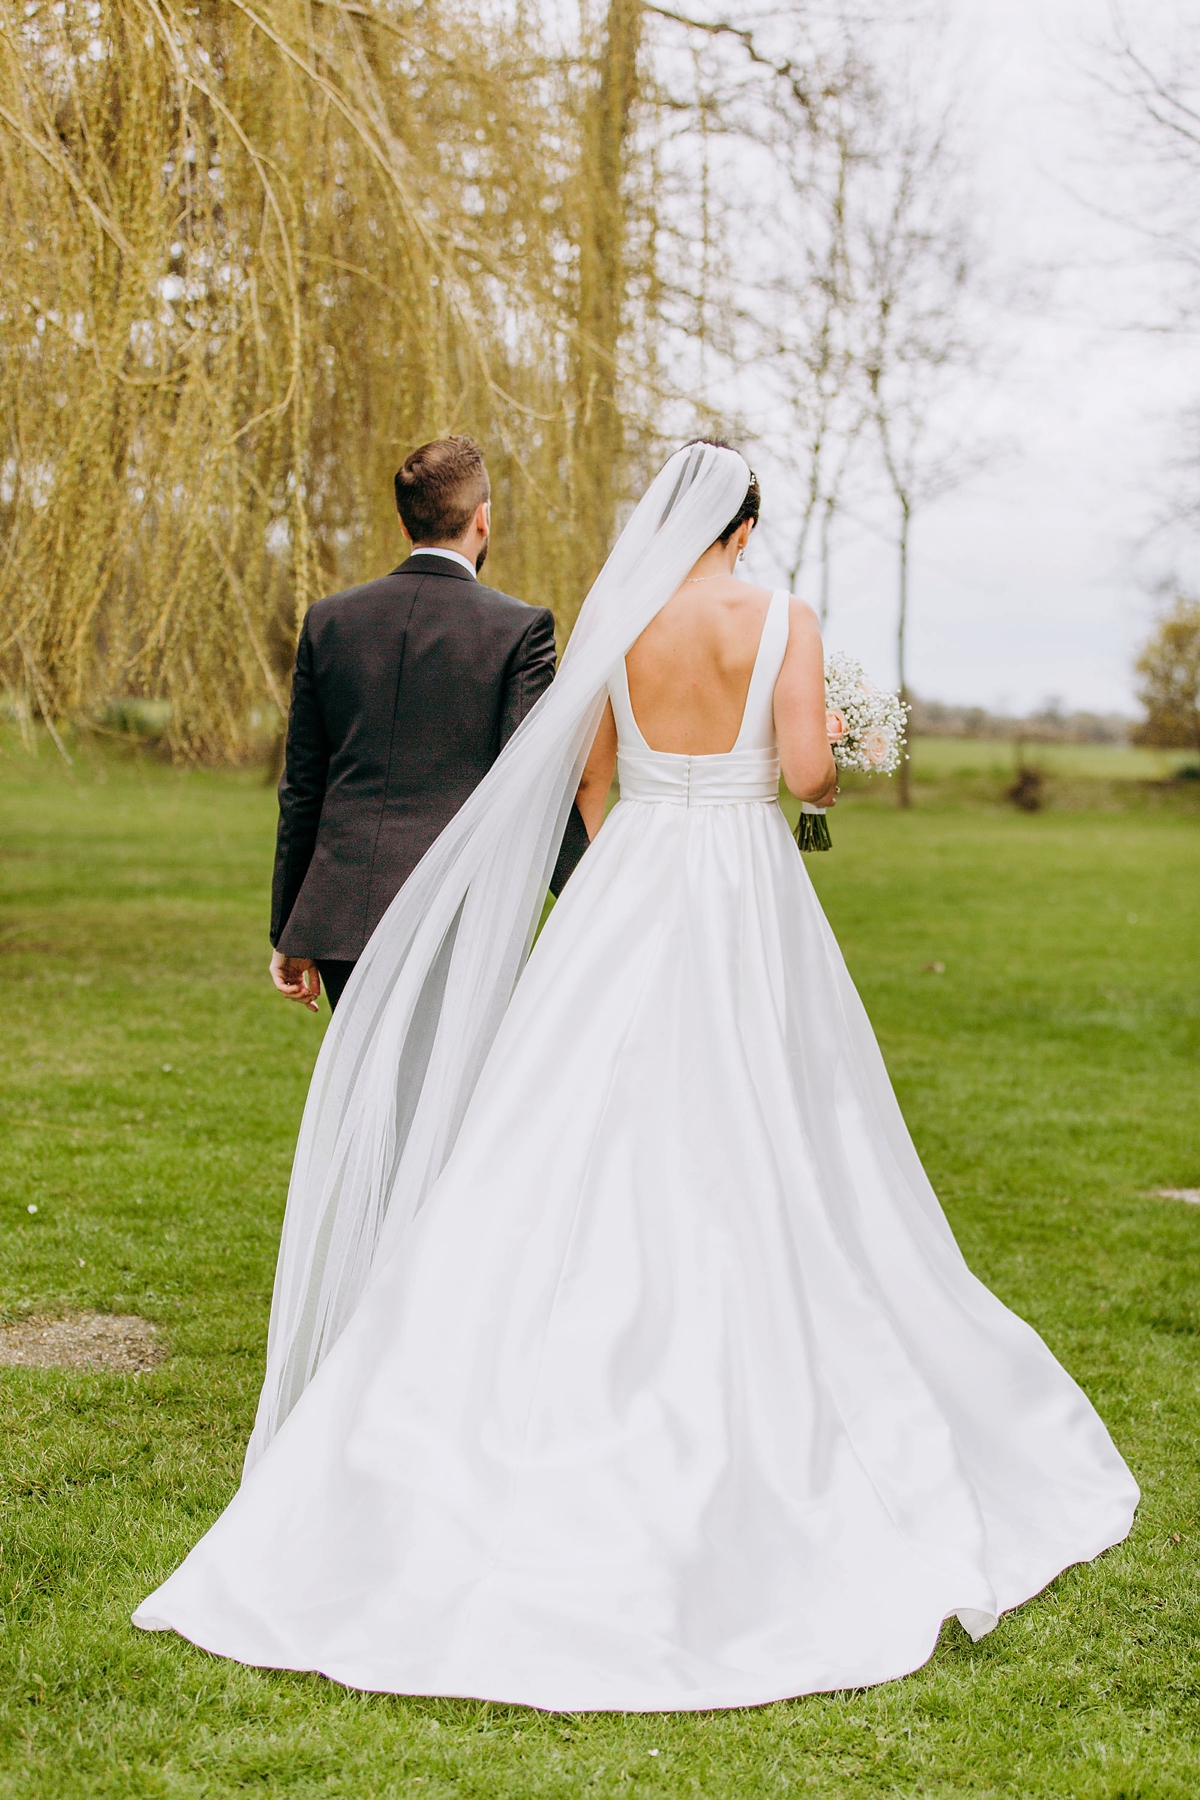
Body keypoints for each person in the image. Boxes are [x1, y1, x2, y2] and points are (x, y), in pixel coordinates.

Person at [135, 442, 1137, 1711]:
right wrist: (824, 744)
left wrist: (648, 853)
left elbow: (593, 788)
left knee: (565, 1128)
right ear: (749, 526)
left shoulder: (619, 625)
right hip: (745, 890)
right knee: (778, 1125)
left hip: (635, 886)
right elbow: (808, 780)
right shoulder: (785, 618)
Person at [268, 434, 588, 1013]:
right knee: (447, 1099)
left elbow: (302, 786)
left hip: (344, 917)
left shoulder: (329, 621)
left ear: (402, 522)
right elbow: (531, 778)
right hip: (459, 909)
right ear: (482, 518)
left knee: (368, 1096)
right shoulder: (519, 629)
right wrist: (587, 894)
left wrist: (291, 927)